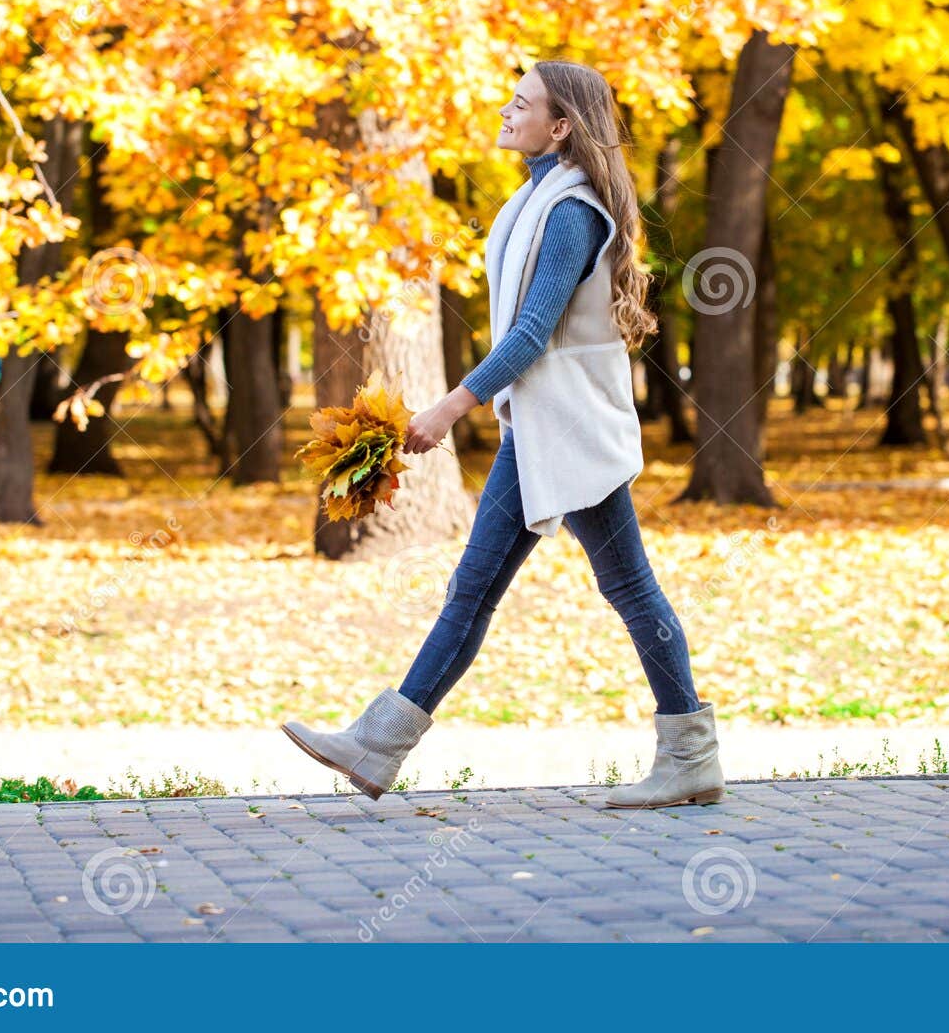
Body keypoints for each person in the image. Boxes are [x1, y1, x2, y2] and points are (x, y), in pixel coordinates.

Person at [282, 60, 723, 810]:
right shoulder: (535, 198)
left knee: (623, 586)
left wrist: (450, 407)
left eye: (522, 104)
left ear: (561, 127)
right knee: (478, 587)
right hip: (543, 428)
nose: (505, 110)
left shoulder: (571, 212)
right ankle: (380, 744)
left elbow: (530, 335)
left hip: (572, 430)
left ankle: (691, 756)